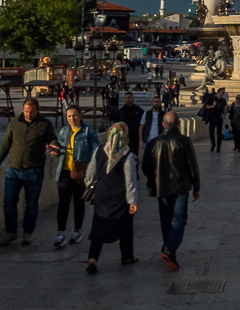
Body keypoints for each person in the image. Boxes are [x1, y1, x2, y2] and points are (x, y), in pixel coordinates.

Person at [0, 98, 57, 246]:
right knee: (9, 202)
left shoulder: (44, 124)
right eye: (26, 111)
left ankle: (28, 233)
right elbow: (6, 143)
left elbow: (52, 140)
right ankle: (11, 232)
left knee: (31, 204)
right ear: (23, 110)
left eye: (32, 112)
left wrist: (54, 147)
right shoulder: (15, 123)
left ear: (37, 110)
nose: (28, 114)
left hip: (34, 170)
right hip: (13, 170)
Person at [141, 112, 201, 271]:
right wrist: (197, 187)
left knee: (166, 219)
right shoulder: (184, 141)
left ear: (163, 124)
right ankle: (170, 249)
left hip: (161, 187)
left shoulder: (153, 143)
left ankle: (168, 248)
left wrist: (154, 178)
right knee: (180, 219)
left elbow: (145, 167)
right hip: (181, 186)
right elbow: (192, 166)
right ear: (179, 124)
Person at [85, 123, 138, 273]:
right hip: (120, 196)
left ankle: (93, 258)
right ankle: (127, 256)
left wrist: (88, 184)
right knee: (126, 225)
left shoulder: (99, 150)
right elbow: (130, 179)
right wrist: (132, 200)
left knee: (99, 225)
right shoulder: (127, 153)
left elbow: (90, 174)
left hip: (102, 195)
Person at [50, 105, 99, 248]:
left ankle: (77, 230)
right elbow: (59, 148)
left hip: (80, 172)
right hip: (64, 171)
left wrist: (91, 170)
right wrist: (55, 152)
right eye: (69, 116)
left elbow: (95, 150)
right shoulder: (64, 131)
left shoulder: (88, 131)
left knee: (78, 202)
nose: (72, 119)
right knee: (63, 202)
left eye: (75, 115)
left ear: (80, 116)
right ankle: (61, 233)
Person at [115, 92, 145, 157]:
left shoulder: (139, 110)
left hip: (135, 138)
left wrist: (141, 139)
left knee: (134, 156)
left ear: (133, 98)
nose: (127, 99)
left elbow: (142, 125)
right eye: (126, 98)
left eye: (129, 97)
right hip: (123, 138)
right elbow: (116, 125)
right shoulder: (120, 111)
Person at [203, 86, 227, 152]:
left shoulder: (223, 100)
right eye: (222, 92)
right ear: (219, 92)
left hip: (219, 118)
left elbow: (225, 108)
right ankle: (213, 144)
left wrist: (224, 114)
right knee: (211, 132)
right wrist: (213, 106)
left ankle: (218, 146)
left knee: (219, 133)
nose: (223, 93)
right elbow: (207, 107)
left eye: (223, 92)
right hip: (212, 118)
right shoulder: (212, 98)